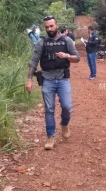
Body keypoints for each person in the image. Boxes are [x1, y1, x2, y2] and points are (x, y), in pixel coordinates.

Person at [25, 15, 80, 150]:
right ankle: (51, 136)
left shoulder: (66, 41)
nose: (49, 29)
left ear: (57, 25)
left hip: (62, 79)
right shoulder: (41, 42)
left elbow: (77, 58)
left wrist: (66, 56)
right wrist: (29, 79)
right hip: (47, 80)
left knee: (67, 106)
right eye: (47, 27)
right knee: (49, 109)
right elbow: (34, 62)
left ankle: (64, 124)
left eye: (51, 26)